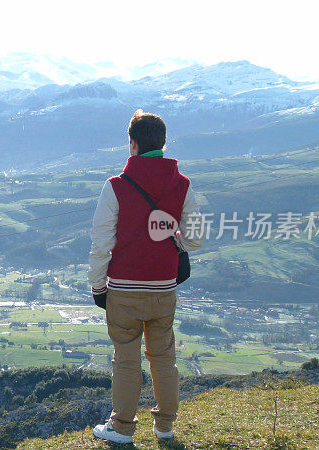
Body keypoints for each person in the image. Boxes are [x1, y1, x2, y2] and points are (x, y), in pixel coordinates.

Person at [88, 110, 205, 444]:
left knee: (126, 360)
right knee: (164, 357)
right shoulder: (182, 185)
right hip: (163, 288)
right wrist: (172, 238)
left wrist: (98, 286)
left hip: (123, 290)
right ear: (163, 143)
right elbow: (195, 238)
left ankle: (122, 428)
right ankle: (165, 425)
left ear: (133, 144)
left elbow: (101, 244)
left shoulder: (116, 187)